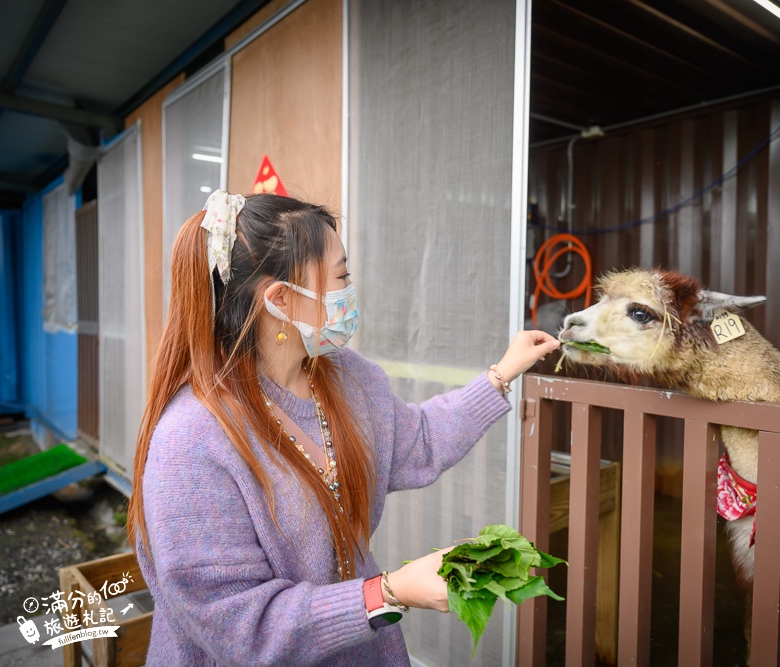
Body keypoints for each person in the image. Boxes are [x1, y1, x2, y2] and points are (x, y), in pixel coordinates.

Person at [127, 191, 559, 666]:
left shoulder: (348, 377)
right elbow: (241, 627)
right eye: (342, 275)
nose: (351, 288)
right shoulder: (189, 442)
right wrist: (388, 593)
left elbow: (418, 441)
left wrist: (500, 374)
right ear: (282, 299)